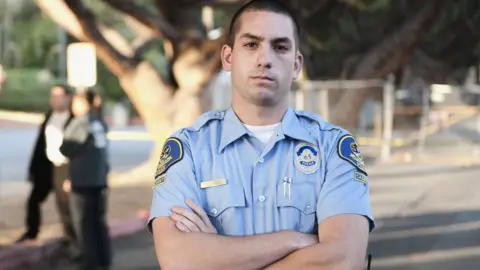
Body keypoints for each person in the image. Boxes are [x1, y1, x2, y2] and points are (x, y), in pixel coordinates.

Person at [148, 0, 374, 269]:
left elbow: (342, 260)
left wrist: (218, 257)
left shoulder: (332, 147)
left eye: (280, 47)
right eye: (251, 44)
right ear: (228, 58)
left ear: (296, 65)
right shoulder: (190, 149)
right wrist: (297, 240)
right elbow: (179, 260)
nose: (265, 59)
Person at [17, 85, 78, 252]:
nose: (55, 100)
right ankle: (31, 231)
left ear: (69, 97)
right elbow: (40, 144)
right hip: (46, 166)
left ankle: (74, 240)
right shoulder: (49, 116)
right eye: (53, 96)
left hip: (65, 167)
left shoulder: (74, 118)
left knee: (65, 205)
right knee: (33, 200)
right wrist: (32, 169)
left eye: (59, 96)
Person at [60, 90, 111, 270]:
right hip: (99, 180)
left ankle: (89, 262)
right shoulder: (98, 122)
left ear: (83, 103)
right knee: (98, 222)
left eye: (75, 102)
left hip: (83, 181)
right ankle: (103, 258)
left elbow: (66, 149)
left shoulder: (80, 123)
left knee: (83, 224)